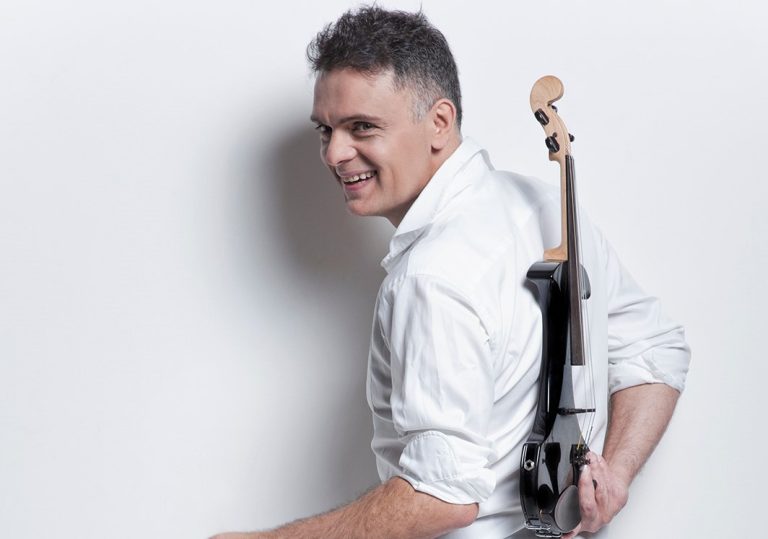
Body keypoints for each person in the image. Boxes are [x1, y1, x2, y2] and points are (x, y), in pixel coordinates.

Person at [213, 6, 690, 538]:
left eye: (362, 127)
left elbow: (442, 498)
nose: (334, 153)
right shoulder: (543, 206)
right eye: (326, 129)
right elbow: (655, 350)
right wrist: (616, 472)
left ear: (439, 123)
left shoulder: (429, 280)